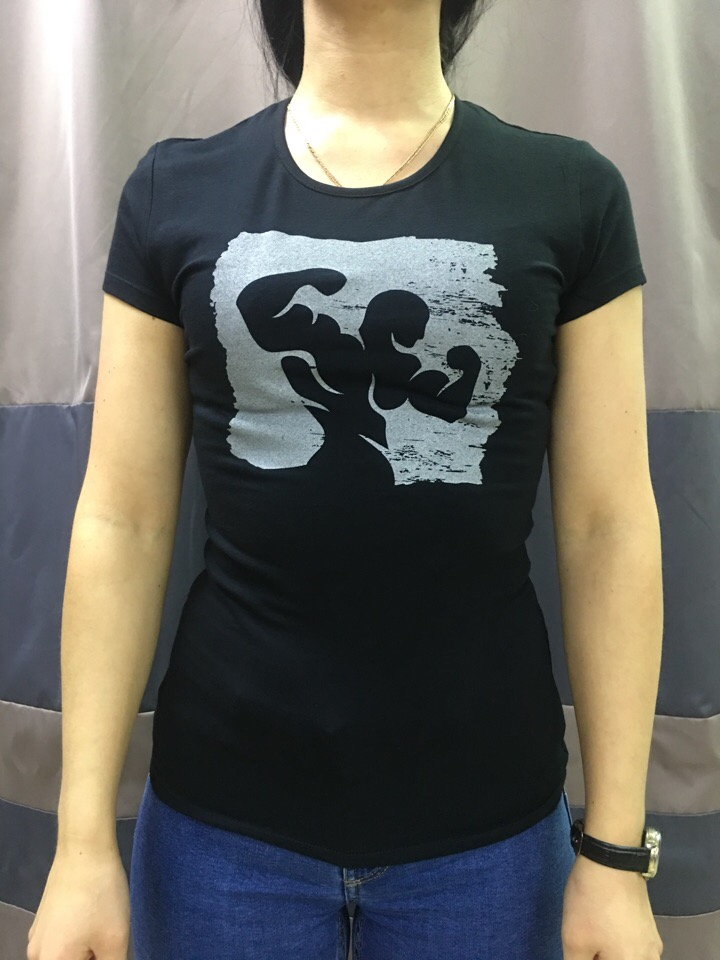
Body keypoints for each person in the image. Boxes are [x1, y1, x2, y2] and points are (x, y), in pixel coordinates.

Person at [28, 1, 665, 959]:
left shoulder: (570, 193)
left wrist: (614, 852)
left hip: (489, 833)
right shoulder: (174, 190)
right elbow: (122, 520)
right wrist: (80, 843)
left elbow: (609, 526)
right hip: (221, 832)